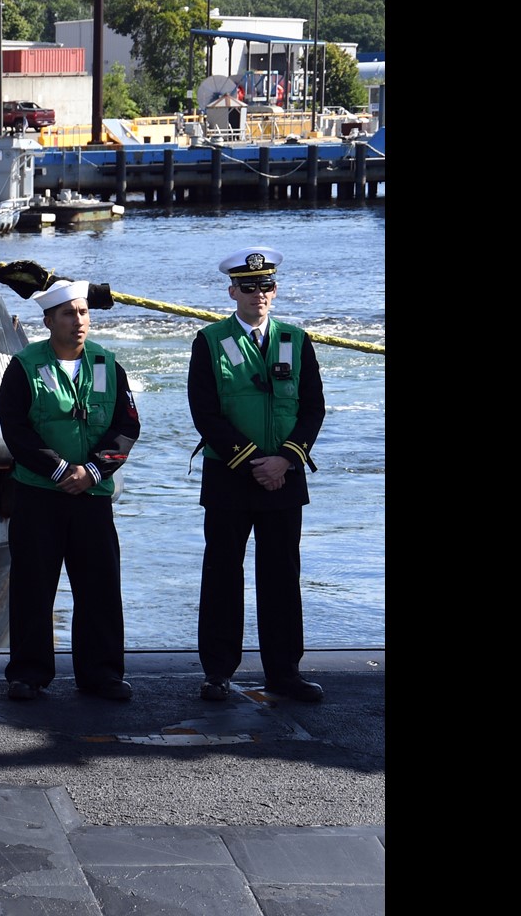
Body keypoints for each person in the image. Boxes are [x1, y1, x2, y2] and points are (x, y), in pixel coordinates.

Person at [190, 247, 326, 703]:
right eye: (248, 287)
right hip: (230, 475)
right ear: (232, 291)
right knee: (223, 574)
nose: (258, 294)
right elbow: (205, 413)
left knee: (282, 577)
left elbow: (313, 409)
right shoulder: (209, 342)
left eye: (266, 285)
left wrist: (286, 459)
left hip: (284, 477)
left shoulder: (296, 340)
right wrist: (252, 460)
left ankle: (284, 672)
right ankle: (217, 673)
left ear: (275, 290)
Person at [0, 280, 141, 702]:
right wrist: (60, 469)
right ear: (48, 321)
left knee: (99, 586)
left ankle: (102, 674)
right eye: (68, 314)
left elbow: (127, 426)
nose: (78, 321)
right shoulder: (24, 367)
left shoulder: (108, 365)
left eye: (82, 312)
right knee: (33, 587)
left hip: (92, 496)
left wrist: (93, 472)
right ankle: (28, 673)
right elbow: (15, 429)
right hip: (39, 495)